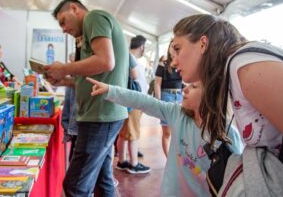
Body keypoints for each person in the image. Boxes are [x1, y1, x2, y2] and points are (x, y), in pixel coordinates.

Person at [171, 14, 283, 194]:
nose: (173, 61)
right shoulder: (234, 72)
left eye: (177, 49)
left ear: (202, 43)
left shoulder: (247, 68)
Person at [86, 77, 243, 196]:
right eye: (187, 85)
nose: (184, 90)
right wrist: (111, 91)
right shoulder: (178, 114)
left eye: (193, 87)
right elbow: (145, 101)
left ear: (212, 95)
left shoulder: (228, 135)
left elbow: (237, 179)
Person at [45, 0, 128, 196]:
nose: (64, 29)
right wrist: (65, 80)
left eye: (63, 21)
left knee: (75, 185)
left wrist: (64, 68)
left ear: (75, 9)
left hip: (100, 115)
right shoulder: (87, 32)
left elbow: (106, 61)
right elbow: (93, 79)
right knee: (102, 179)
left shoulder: (94, 17)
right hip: (102, 113)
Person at [115, 37, 150, 174]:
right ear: (142, 46)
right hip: (134, 100)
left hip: (127, 100)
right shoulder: (130, 58)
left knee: (124, 133)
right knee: (133, 133)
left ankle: (122, 161)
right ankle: (133, 163)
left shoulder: (125, 56)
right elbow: (136, 77)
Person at [154, 40, 183, 157]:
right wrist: (158, 103)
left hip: (180, 97)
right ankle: (168, 159)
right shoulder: (163, 64)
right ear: (169, 48)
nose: (174, 49)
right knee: (167, 132)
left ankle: (178, 159)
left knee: (179, 131)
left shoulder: (182, 62)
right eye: (172, 46)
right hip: (166, 96)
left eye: (177, 47)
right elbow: (157, 84)